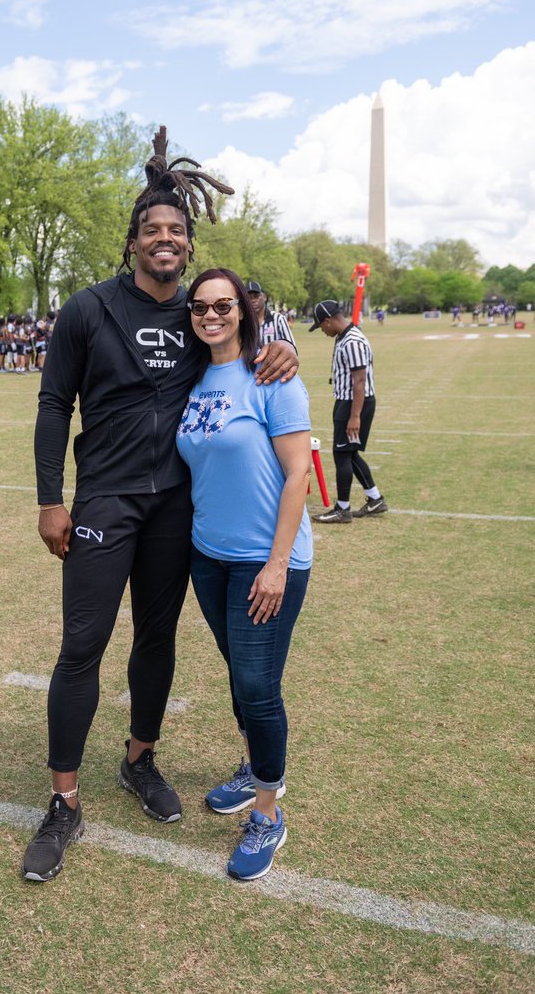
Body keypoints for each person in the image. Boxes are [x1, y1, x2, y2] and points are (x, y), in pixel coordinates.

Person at [22, 126, 299, 883]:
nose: (166, 240)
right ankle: (63, 801)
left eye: (177, 229)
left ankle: (139, 759)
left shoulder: (196, 314)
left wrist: (285, 347)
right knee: (83, 643)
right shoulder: (87, 310)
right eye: (153, 230)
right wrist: (52, 500)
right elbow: (53, 406)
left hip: (175, 505)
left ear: (188, 239)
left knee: (157, 636)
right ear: (135, 241)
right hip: (104, 500)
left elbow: (245, 336)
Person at [176, 268, 312, 880]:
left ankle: (268, 816)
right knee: (240, 677)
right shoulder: (190, 377)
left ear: (243, 309)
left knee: (258, 685)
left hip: (268, 560)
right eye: (201, 306)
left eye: (223, 304)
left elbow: (298, 475)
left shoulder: (272, 375)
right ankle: (253, 764)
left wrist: (277, 563)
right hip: (208, 557)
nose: (211, 314)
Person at [308, 300, 388, 524]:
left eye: (321, 326)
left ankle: (342, 508)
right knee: (349, 453)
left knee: (342, 454)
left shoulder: (352, 341)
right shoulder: (344, 336)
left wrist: (354, 416)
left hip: (353, 403)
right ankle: (375, 499)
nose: (322, 331)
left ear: (328, 320)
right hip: (347, 402)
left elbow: (359, 381)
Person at [244, 281, 296, 348]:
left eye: (256, 296)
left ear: (264, 297)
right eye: (249, 298)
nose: (253, 300)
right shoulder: (244, 323)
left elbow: (291, 347)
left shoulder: (278, 319)